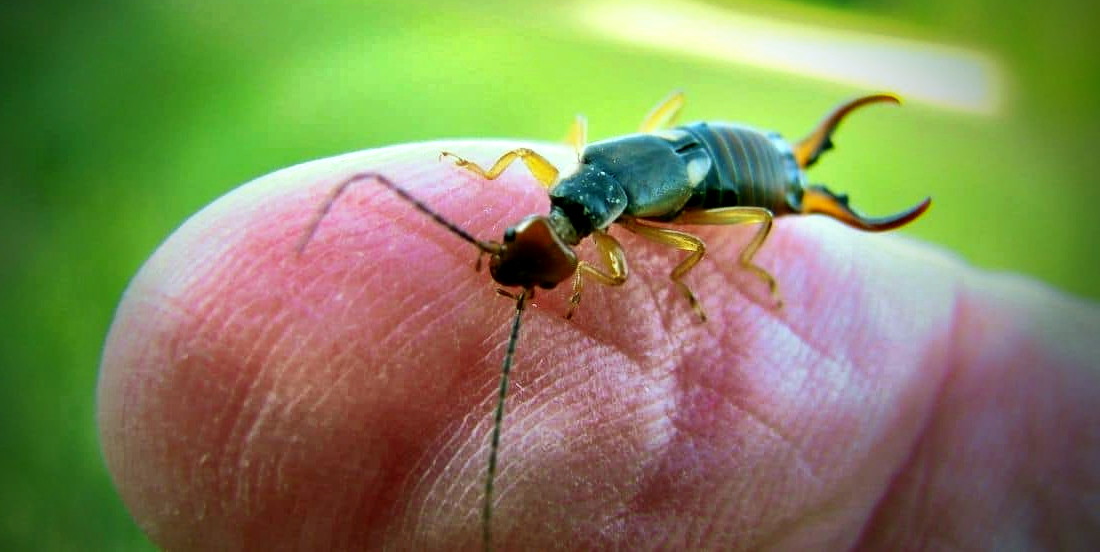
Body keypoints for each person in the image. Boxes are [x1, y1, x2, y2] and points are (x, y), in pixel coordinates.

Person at [98, 142, 1099, 550]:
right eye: (526, 248)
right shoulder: (577, 200)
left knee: (748, 226)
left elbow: (669, 248)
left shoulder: (608, 232)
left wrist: (731, 272)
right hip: (691, 149)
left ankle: (796, 182)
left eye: (529, 254)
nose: (530, 252)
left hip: (724, 176)